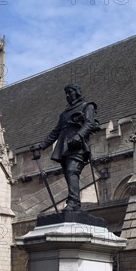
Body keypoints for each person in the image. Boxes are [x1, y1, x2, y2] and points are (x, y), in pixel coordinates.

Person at [31, 84, 99, 212]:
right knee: (69, 174)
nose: (67, 96)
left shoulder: (87, 106)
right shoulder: (64, 114)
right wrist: (41, 146)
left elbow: (89, 123)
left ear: (77, 93)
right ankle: (75, 204)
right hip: (65, 148)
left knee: (72, 170)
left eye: (70, 92)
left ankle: (73, 202)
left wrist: (78, 136)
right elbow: (55, 132)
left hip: (78, 146)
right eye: (66, 94)